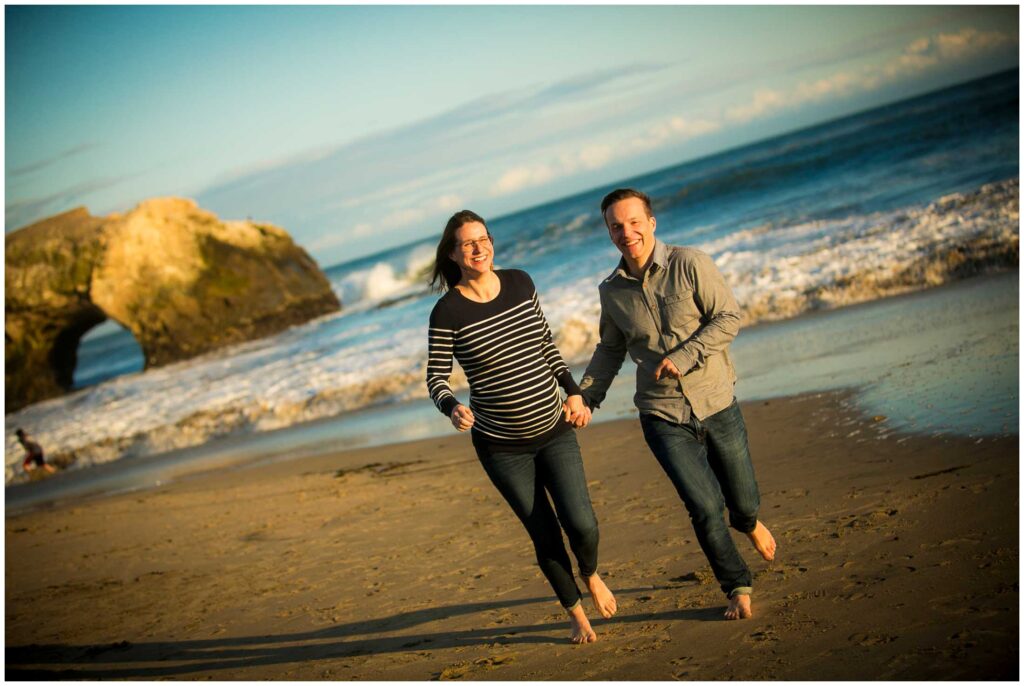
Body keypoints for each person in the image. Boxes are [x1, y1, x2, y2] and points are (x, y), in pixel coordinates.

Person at [576, 188, 776, 621]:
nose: (626, 233)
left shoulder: (691, 263)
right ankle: (736, 584)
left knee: (742, 500)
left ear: (651, 222)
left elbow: (729, 318)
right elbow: (610, 349)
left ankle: (747, 522)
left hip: (716, 398)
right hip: (661, 413)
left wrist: (684, 356)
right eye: (615, 226)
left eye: (633, 222)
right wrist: (587, 395)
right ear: (608, 233)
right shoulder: (611, 291)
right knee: (704, 506)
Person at [426, 209, 617, 643]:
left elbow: (546, 345)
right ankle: (574, 611)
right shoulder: (447, 311)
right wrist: (452, 407)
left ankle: (590, 574)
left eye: (484, 239)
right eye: (468, 243)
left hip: (553, 428)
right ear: (454, 254)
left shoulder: (520, 283)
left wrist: (573, 391)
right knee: (544, 532)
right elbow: (436, 378)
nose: (479, 248)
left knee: (581, 523)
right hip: (501, 446)